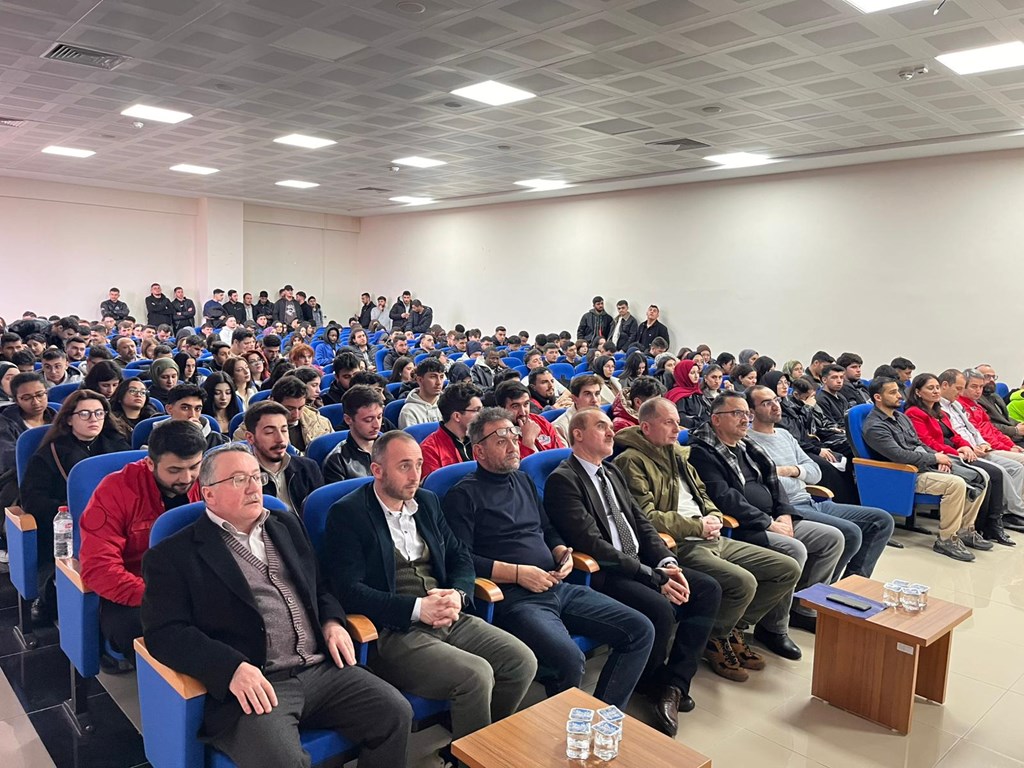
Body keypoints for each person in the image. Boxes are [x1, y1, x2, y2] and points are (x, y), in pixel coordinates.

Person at [142, 442, 412, 768]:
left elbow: (321, 586)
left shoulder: (286, 525)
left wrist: (332, 622)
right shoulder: (173, 555)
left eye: (256, 477)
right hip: (256, 682)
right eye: (239, 479)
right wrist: (230, 668)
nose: (253, 487)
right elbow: (165, 632)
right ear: (208, 494)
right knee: (284, 761)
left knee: (395, 713)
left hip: (320, 669)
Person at [323, 432, 535, 759]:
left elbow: (459, 556)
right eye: (404, 466)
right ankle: (474, 756)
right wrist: (417, 608)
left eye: (419, 464)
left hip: (448, 614)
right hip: (394, 631)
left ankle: (473, 748)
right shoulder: (348, 514)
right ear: (377, 470)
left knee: (521, 661)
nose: (415, 475)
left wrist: (459, 594)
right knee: (476, 676)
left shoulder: (427, 502)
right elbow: (349, 591)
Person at [442, 410, 659, 728]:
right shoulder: (462, 495)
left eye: (514, 436)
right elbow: (461, 560)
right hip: (514, 597)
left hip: (558, 584)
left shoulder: (523, 480)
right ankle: (563, 735)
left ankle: (600, 722)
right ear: (479, 451)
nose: (513, 446)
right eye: (501, 441)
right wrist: (519, 574)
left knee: (640, 630)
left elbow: (546, 528)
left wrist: (561, 551)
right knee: (569, 659)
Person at [544, 408, 723, 727]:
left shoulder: (611, 471)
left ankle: (674, 683)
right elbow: (594, 545)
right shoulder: (564, 479)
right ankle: (649, 681)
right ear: (578, 434)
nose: (611, 432)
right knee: (660, 607)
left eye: (610, 426)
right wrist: (654, 577)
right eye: (601, 426)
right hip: (605, 573)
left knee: (707, 589)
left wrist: (667, 563)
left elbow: (641, 523)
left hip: (640, 561)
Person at [613, 398, 800, 683]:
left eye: (678, 422)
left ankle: (728, 629)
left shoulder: (678, 454)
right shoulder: (631, 461)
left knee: (787, 568)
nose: (677, 429)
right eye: (669, 423)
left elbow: (703, 494)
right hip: (680, 543)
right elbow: (646, 517)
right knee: (744, 582)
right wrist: (697, 526)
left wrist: (713, 516)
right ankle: (716, 639)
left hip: (712, 536)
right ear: (646, 427)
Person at [688, 392, 844, 654]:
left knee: (832, 539)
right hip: (745, 526)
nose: (745, 419)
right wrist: (769, 523)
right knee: (795, 550)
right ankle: (773, 627)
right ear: (716, 419)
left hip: (775, 518)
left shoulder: (748, 446)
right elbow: (725, 499)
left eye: (746, 414)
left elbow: (773, 482)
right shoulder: (703, 452)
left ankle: (802, 609)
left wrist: (785, 514)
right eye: (736, 413)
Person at [80, 419, 205, 660]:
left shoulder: (209, 480)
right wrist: (161, 597)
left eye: (194, 467)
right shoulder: (115, 490)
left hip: (194, 580)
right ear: (150, 463)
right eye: (174, 470)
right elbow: (99, 567)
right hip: (136, 587)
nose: (187, 478)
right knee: (148, 633)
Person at [745, 385, 895, 579]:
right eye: (766, 403)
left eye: (776, 400)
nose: (776, 406)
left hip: (811, 501)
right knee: (850, 532)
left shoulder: (784, 435)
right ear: (751, 411)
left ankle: (851, 582)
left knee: (882, 521)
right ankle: (820, 590)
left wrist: (790, 470)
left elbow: (815, 472)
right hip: (788, 508)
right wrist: (799, 476)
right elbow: (767, 483)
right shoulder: (748, 441)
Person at [22, 389, 131, 621]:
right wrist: (69, 509)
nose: (94, 419)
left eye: (99, 413)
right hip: (70, 526)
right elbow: (33, 500)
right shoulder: (49, 454)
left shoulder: (119, 446)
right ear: (69, 419)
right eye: (85, 414)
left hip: (118, 522)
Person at [862, 377, 987, 562]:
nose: (899, 396)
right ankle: (946, 540)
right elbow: (899, 456)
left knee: (980, 476)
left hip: (923, 465)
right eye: (893, 393)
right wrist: (934, 458)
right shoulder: (875, 426)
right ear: (878, 397)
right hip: (903, 474)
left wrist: (937, 457)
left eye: (898, 391)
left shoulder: (900, 417)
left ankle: (965, 530)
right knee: (955, 484)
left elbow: (918, 443)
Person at [903, 372, 1011, 545]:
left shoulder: (939, 412)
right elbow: (927, 442)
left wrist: (965, 446)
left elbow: (955, 435)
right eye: (930, 388)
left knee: (988, 474)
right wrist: (955, 452)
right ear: (917, 392)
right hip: (941, 455)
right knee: (986, 475)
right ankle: (981, 526)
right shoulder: (914, 413)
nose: (936, 391)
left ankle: (974, 527)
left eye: (937, 387)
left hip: (953, 453)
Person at [243, 401, 323, 515]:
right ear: (250, 438)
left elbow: (320, 513)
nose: (280, 439)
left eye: (284, 430)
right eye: (269, 432)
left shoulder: (308, 467)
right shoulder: (243, 479)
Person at [0, 372, 56, 510]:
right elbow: (10, 458)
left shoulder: (58, 418)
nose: (36, 402)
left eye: (40, 395)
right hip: (18, 479)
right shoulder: (5, 423)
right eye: (26, 398)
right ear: (16, 400)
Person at [323, 386, 386, 483]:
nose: (377, 425)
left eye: (379, 417)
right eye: (368, 420)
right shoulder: (337, 461)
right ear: (348, 419)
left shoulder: (391, 447)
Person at [420, 382, 482, 478]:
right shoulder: (429, 450)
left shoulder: (482, 439)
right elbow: (436, 485)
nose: (482, 415)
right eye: (477, 410)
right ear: (457, 416)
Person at [494, 380, 564, 457]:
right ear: (501, 409)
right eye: (515, 406)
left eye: (526, 404)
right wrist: (528, 442)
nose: (523, 412)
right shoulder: (498, 435)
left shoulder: (541, 421)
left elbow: (561, 454)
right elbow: (517, 464)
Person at [159, 383, 229, 451]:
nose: (192, 415)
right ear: (169, 409)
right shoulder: (157, 437)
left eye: (197, 409)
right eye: (185, 408)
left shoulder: (217, 441)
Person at [975, 364, 1024, 446]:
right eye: (987, 376)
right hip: (1002, 438)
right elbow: (987, 425)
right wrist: (1015, 430)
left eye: (993, 377)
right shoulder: (976, 400)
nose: (991, 380)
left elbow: (1006, 418)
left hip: (1013, 435)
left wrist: (1019, 424)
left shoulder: (995, 396)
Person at [552, 374, 603, 444]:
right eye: (587, 394)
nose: (594, 400)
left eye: (597, 394)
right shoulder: (560, 427)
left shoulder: (604, 418)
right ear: (574, 399)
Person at [397, 358, 445, 428]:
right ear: (420, 380)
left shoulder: (448, 403)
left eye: (441, 377)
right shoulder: (409, 411)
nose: (439, 382)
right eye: (433, 377)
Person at [666, 359, 710, 428]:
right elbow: (682, 419)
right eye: (692, 373)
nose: (696, 376)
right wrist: (701, 424)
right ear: (683, 374)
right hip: (691, 430)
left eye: (698, 372)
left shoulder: (698, 392)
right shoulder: (678, 395)